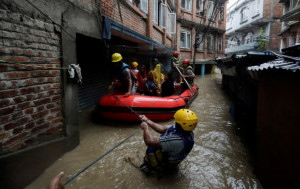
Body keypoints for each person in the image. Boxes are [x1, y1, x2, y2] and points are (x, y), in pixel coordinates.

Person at [139, 109, 198, 176]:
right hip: (171, 159)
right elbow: (163, 129)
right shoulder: (186, 131)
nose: (175, 122)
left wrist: (145, 128)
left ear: (180, 124)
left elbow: (149, 142)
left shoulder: (176, 141)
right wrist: (147, 120)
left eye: (177, 121)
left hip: (160, 164)